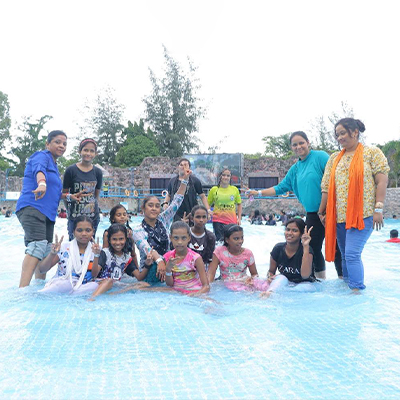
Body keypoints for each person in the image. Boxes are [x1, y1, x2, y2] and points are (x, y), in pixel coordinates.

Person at [246, 131, 340, 279]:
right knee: (312, 248)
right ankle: (321, 281)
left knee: (338, 247)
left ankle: (343, 281)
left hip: (332, 211)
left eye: (301, 142)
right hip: (312, 214)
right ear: (291, 147)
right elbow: (280, 188)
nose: (298, 147)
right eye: (295, 145)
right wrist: (257, 193)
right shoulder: (295, 169)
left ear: (308, 142)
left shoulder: (320, 157)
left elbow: (337, 177)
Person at [319, 118, 390, 291]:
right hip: (339, 216)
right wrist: (322, 211)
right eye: (337, 135)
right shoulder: (335, 158)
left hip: (363, 214)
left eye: (343, 133)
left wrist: (378, 208)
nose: (340, 138)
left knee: (352, 254)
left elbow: (381, 181)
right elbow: (327, 187)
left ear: (355, 132)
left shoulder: (372, 153)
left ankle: (357, 291)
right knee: (344, 255)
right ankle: (347, 292)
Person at [16, 130, 85, 287]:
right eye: (57, 142)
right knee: (37, 245)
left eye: (64, 143)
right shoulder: (41, 156)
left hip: (47, 214)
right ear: (47, 144)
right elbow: (39, 171)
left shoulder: (54, 165)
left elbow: (53, 192)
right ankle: (23, 288)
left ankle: (39, 285)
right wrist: (42, 183)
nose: (61, 146)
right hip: (32, 207)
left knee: (47, 249)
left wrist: (69, 197)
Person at [133, 169, 192, 283]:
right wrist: (159, 261)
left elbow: (176, 201)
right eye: (150, 205)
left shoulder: (163, 219)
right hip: (150, 270)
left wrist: (184, 181)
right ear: (143, 209)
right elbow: (147, 249)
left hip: (168, 266)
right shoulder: (137, 230)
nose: (154, 208)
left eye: (156, 206)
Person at [39, 216, 101, 294]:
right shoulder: (64, 248)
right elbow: (42, 270)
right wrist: (52, 253)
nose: (84, 234)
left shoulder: (97, 249)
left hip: (82, 287)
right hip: (62, 285)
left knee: (94, 286)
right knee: (67, 284)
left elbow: (94, 275)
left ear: (93, 232)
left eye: (88, 230)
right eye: (79, 230)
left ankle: (74, 295)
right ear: (73, 232)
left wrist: (96, 255)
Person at [89, 224, 149, 300]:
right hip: (101, 283)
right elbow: (94, 274)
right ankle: (92, 298)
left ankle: (114, 293)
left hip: (115, 285)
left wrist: (147, 264)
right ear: (109, 240)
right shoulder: (105, 253)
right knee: (109, 281)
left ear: (126, 239)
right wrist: (96, 255)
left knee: (144, 284)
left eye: (121, 239)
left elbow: (139, 277)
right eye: (114, 239)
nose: (118, 243)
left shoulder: (126, 258)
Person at [262, 218, 316, 297]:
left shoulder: (307, 250)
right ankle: (269, 294)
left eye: (294, 230)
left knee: (304, 287)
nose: (289, 233)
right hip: (285, 281)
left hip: (305, 284)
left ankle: (281, 294)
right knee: (281, 278)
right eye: (287, 229)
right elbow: (271, 272)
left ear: (301, 234)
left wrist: (306, 246)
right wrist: (270, 277)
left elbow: (305, 275)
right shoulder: (278, 248)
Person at [208, 224, 269, 291]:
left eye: (242, 238)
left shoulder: (248, 253)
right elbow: (211, 274)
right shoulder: (219, 251)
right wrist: (208, 288)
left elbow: (254, 275)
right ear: (227, 240)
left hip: (243, 282)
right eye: (236, 239)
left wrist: (251, 281)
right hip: (226, 284)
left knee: (265, 286)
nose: (240, 241)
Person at [63, 138, 103, 241]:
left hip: (92, 217)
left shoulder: (98, 172)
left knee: (90, 247)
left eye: (91, 151)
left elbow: (96, 193)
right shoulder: (70, 170)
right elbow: (65, 193)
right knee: (73, 246)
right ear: (80, 151)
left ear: (95, 153)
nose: (88, 153)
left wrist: (94, 207)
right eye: (85, 150)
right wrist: (70, 209)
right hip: (75, 217)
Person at [208, 168, 242, 242]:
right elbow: (207, 203)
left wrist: (239, 218)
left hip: (231, 220)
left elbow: (239, 204)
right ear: (220, 176)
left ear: (230, 178)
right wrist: (208, 212)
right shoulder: (214, 189)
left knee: (231, 242)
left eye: (228, 176)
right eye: (223, 175)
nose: (225, 177)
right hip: (218, 220)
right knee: (219, 242)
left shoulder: (234, 189)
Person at [103, 204, 139, 272]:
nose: (122, 217)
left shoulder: (129, 232)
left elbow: (133, 254)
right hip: (112, 267)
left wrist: (137, 270)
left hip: (126, 266)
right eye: (119, 215)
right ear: (113, 218)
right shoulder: (107, 234)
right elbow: (104, 254)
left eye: (124, 214)